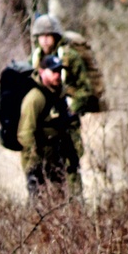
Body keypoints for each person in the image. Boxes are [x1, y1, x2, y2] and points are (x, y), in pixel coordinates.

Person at [30, 14, 93, 197]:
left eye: (49, 35)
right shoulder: (34, 59)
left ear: (56, 36)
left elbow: (85, 89)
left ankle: (76, 212)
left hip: (67, 124)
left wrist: (72, 108)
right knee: (44, 171)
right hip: (46, 126)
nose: (45, 40)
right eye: (41, 36)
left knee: (71, 168)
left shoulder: (70, 58)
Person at [17, 55, 78, 200]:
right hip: (38, 163)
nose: (57, 75)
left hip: (57, 160)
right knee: (38, 205)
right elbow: (25, 133)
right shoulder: (35, 98)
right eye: (53, 71)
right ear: (42, 71)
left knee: (60, 203)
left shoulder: (60, 95)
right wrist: (34, 164)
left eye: (59, 71)